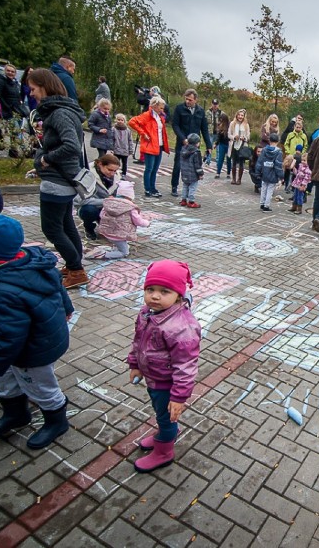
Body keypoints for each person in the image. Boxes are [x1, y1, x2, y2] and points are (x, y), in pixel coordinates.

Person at [0, 214, 74, 450]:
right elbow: (57, 283)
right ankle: (15, 414)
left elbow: (10, 337)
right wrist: (67, 307)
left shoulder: (0, 290)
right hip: (39, 339)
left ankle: (57, 421)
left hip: (32, 351)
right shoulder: (29, 258)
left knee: (40, 386)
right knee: (7, 380)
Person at [128, 260, 201, 472]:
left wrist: (178, 397)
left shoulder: (182, 327)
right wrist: (135, 363)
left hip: (167, 384)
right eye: (150, 289)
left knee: (165, 416)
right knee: (161, 414)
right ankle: (165, 433)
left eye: (164, 291)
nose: (155, 296)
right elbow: (138, 340)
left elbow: (186, 365)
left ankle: (164, 451)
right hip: (153, 376)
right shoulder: (147, 312)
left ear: (178, 295)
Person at [27, 68, 89, 289]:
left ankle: (76, 270)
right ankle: (74, 265)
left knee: (52, 228)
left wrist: (46, 160)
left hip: (58, 181)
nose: (31, 93)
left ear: (44, 86)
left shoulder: (59, 113)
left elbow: (70, 146)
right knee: (66, 224)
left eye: (33, 89)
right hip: (63, 179)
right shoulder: (62, 110)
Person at [89, 181, 150, 259]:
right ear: (130, 196)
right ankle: (103, 255)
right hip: (120, 235)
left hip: (107, 232)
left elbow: (101, 215)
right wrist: (147, 223)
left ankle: (116, 247)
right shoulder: (131, 208)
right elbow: (138, 221)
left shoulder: (109, 203)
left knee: (119, 242)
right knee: (124, 252)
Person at [170, 89, 213, 197]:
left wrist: (209, 145)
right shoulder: (180, 108)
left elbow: (204, 129)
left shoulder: (200, 111)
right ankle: (174, 186)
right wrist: (182, 138)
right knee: (178, 164)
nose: (188, 101)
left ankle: (190, 190)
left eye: (190, 100)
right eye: (186, 99)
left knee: (194, 166)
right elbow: (175, 125)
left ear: (195, 100)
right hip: (182, 142)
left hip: (194, 144)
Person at [129, 95, 170, 198]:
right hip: (150, 145)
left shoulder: (160, 117)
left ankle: (153, 187)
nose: (162, 109)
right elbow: (132, 122)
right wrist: (143, 133)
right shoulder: (147, 115)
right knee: (149, 168)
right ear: (155, 106)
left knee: (155, 169)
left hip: (159, 145)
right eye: (160, 107)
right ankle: (147, 189)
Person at [76, 153, 120, 240]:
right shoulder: (87, 175)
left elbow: (115, 194)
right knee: (89, 211)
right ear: (100, 165)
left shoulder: (116, 177)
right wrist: (105, 201)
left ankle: (105, 224)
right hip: (90, 206)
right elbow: (81, 200)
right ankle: (89, 228)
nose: (112, 173)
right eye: (110, 170)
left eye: (115, 171)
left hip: (106, 207)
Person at [256, 132, 284, 211]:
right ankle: (266, 206)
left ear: (269, 140)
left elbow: (259, 162)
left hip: (264, 172)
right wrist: (281, 176)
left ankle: (262, 203)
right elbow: (278, 166)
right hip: (273, 174)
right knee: (270, 191)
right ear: (278, 141)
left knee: (264, 188)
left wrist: (258, 172)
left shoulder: (264, 150)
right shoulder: (279, 152)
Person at [179, 133, 205, 208]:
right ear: (196, 143)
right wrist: (200, 174)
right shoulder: (196, 152)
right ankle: (191, 201)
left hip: (184, 172)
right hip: (193, 174)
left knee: (185, 186)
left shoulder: (183, 149)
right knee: (192, 187)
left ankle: (183, 200)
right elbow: (197, 165)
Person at [228, 109, 250, 185]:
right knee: (233, 162)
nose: (240, 117)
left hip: (242, 145)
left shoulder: (246, 125)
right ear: (236, 115)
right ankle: (233, 178)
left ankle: (239, 179)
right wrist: (234, 137)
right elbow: (229, 134)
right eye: (239, 115)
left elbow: (248, 136)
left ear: (244, 117)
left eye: (242, 115)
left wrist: (245, 138)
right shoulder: (232, 123)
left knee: (241, 163)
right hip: (234, 144)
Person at [204, 99, 221, 166]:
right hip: (210, 132)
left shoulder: (220, 113)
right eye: (214, 104)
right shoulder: (208, 112)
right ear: (212, 104)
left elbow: (222, 122)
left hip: (217, 132)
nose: (215, 106)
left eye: (216, 104)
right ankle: (208, 161)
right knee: (209, 146)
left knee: (218, 148)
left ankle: (218, 161)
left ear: (218, 105)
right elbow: (205, 122)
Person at [214, 112, 231, 179]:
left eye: (221, 119)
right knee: (220, 159)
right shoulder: (220, 126)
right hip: (222, 144)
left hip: (229, 144)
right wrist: (216, 143)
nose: (220, 121)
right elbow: (219, 137)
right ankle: (218, 173)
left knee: (228, 159)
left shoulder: (229, 126)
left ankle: (228, 173)